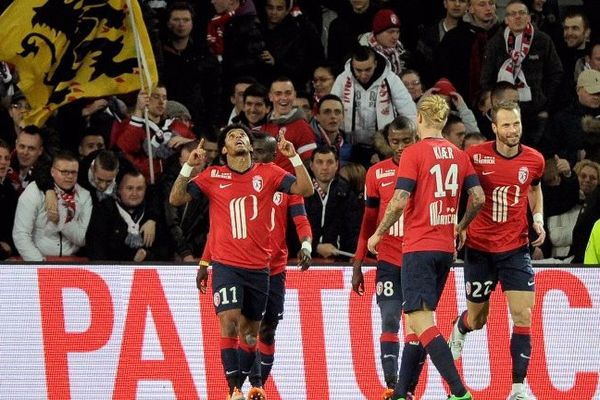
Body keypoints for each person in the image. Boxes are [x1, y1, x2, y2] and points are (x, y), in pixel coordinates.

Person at [169, 124, 313, 400]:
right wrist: (189, 166)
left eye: (243, 136)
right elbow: (176, 199)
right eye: (233, 136)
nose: (239, 138)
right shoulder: (213, 176)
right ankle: (233, 390)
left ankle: (251, 383)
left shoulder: (271, 174)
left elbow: (304, 190)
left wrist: (294, 157)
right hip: (227, 265)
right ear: (224, 149)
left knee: (252, 336)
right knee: (229, 322)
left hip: (263, 267)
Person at [367, 94, 485, 400]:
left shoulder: (414, 153)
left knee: (420, 322)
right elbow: (479, 198)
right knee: (416, 328)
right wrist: (460, 226)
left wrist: (378, 233)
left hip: (418, 246)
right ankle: (402, 393)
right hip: (445, 248)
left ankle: (459, 392)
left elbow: (399, 200)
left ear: (420, 118)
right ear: (444, 122)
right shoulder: (460, 154)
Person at [448, 100, 545, 400]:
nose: (512, 130)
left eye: (516, 124)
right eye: (506, 125)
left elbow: (534, 187)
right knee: (478, 320)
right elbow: (457, 191)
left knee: (523, 315)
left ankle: (518, 389)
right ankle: (461, 326)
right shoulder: (475, 156)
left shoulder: (534, 160)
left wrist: (538, 219)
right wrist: (457, 224)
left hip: (516, 248)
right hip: (479, 248)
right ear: (494, 128)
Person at [352, 116, 424, 400]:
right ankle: (392, 384)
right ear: (388, 141)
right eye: (395, 141)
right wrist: (358, 264)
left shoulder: (427, 171)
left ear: (416, 139)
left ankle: (409, 387)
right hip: (389, 261)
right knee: (390, 318)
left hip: (419, 260)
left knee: (417, 327)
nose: (401, 146)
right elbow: (368, 222)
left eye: (407, 140)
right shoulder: (376, 174)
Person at [246, 132, 312, 390]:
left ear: (274, 155)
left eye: (263, 153)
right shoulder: (240, 180)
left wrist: (305, 245)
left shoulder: (286, 185)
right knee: (248, 328)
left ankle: (258, 384)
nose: (258, 157)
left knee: (268, 330)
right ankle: (254, 385)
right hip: (247, 268)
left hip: (275, 268)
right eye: (255, 152)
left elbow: (301, 220)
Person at [480, 0, 563, 147]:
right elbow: (486, 79)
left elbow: (555, 74)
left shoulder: (543, 40)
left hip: (537, 113)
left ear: (529, 17)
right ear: (506, 19)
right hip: (505, 112)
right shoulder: (495, 43)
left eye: (521, 13)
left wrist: (545, 105)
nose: (517, 17)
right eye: (512, 14)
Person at [331, 46, 416, 167]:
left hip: (383, 148)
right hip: (349, 144)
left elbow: (409, 113)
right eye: (358, 70)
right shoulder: (343, 79)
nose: (363, 74)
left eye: (367, 69)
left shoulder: (391, 79)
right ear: (352, 65)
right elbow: (331, 106)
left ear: (375, 63)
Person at [13, 151, 92, 261]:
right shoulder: (34, 192)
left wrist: (62, 220)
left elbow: (82, 239)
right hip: (38, 258)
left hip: (71, 261)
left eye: (74, 172)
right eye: (64, 172)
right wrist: (39, 263)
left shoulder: (84, 196)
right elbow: (21, 234)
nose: (69, 176)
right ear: (52, 171)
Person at [294, 144, 362, 261]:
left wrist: (352, 253)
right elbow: (291, 228)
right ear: (311, 165)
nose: (325, 167)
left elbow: (353, 231)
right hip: (303, 257)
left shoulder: (347, 193)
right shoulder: (299, 190)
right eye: (319, 162)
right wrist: (316, 246)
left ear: (337, 165)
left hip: (338, 259)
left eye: (330, 162)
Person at [86, 169, 171, 261]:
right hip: (112, 271)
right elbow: (95, 248)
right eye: (129, 188)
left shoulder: (152, 214)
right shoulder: (104, 210)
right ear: (119, 190)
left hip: (147, 271)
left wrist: (147, 255)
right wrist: (131, 259)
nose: (134, 193)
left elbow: (166, 250)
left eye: (139, 189)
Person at [262, 77, 317, 173]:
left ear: (294, 95)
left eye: (288, 93)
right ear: (270, 96)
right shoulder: (264, 126)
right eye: (278, 94)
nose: (283, 98)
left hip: (290, 185)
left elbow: (311, 163)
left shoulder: (301, 126)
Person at [0, 139, 17, 259]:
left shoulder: (10, 188)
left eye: (7, 158)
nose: (3, 162)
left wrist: (10, 246)